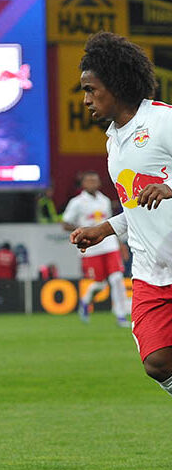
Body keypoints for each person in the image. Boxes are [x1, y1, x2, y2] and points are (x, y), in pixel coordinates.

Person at [69, 31, 172, 396]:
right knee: (157, 362)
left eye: (91, 90)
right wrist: (106, 228)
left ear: (116, 85)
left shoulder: (163, 122)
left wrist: (171, 187)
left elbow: (162, 192)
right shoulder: (114, 140)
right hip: (150, 272)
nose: (86, 100)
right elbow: (137, 205)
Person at [61, 170, 130, 327]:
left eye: (95, 180)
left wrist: (120, 244)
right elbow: (65, 223)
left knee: (117, 279)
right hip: (91, 248)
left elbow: (110, 224)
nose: (92, 183)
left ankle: (120, 316)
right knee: (100, 284)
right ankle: (86, 301)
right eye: (89, 180)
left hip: (109, 244)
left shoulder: (104, 200)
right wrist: (83, 230)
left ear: (99, 183)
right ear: (83, 184)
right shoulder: (77, 202)